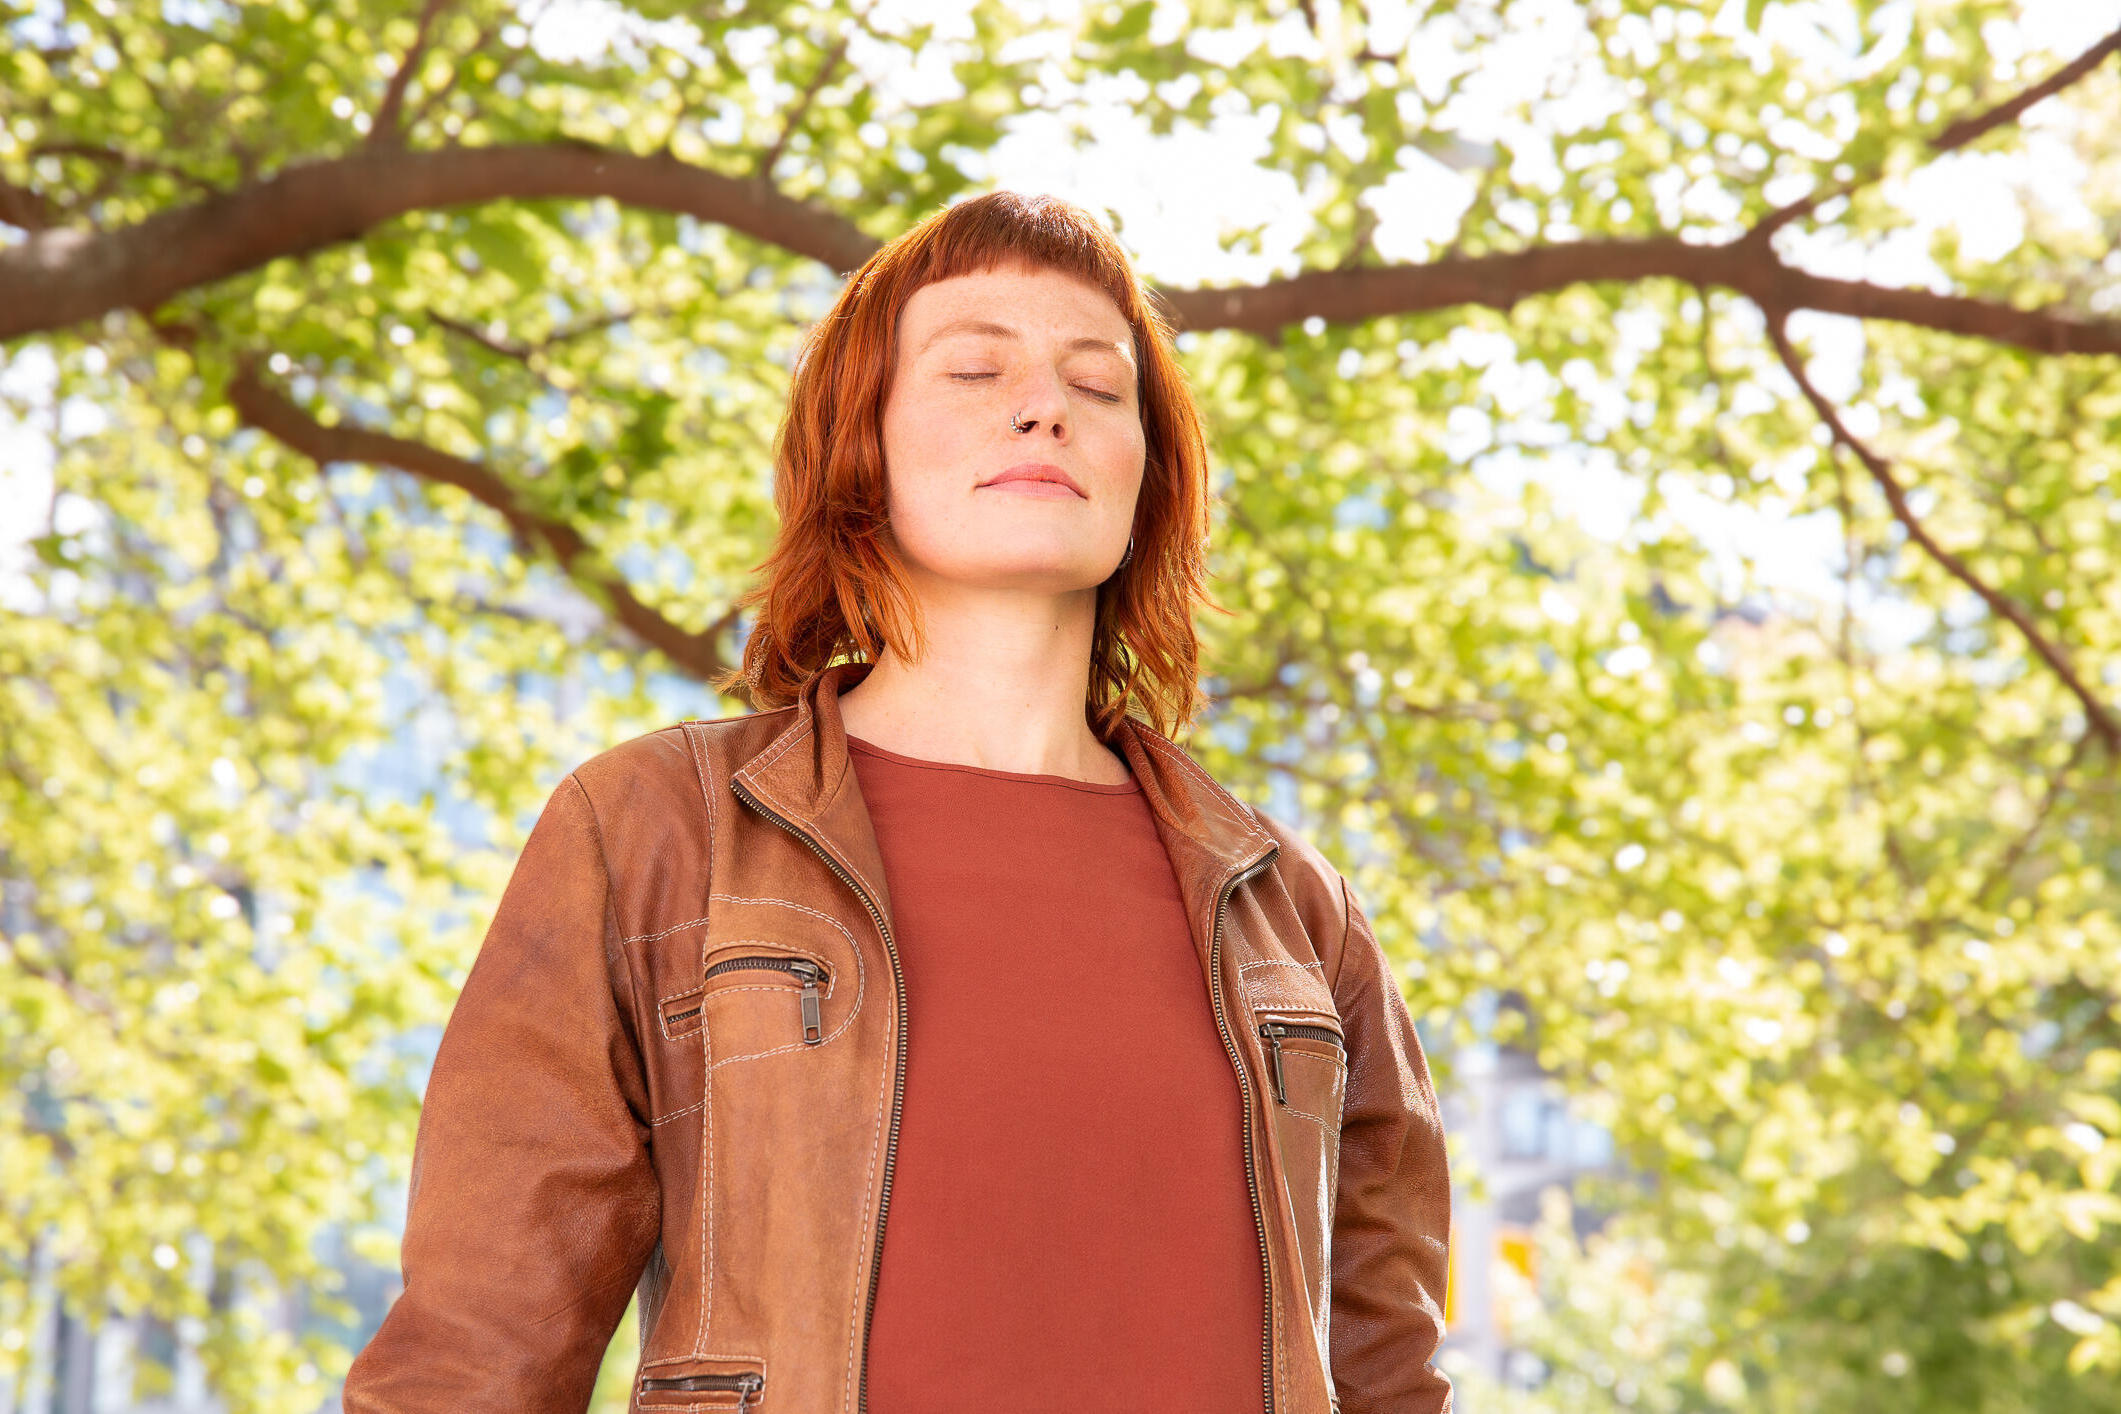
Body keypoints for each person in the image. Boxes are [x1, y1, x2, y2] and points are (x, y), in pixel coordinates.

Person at [341, 190, 1452, 1414]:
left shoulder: (1298, 918)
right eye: (975, 368)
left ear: (1152, 472)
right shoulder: (657, 831)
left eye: (1098, 384)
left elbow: (1392, 1380)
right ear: (858, 444)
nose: (1044, 405)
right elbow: (471, 1363)